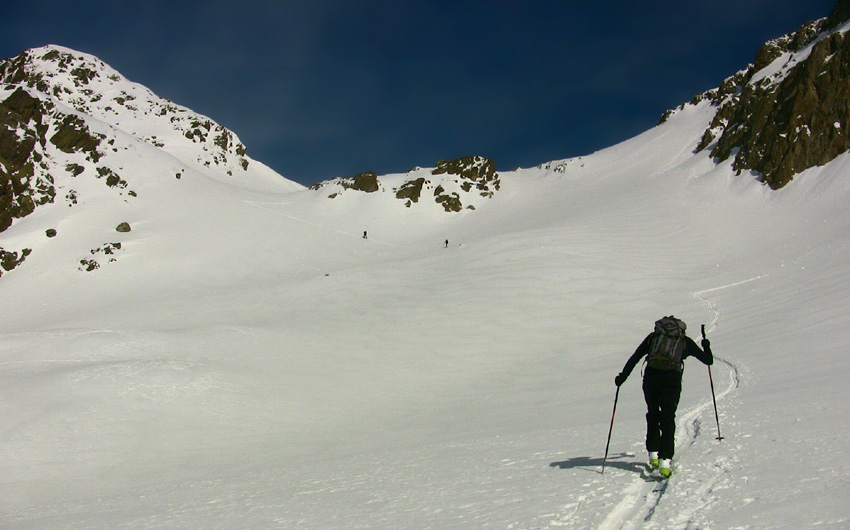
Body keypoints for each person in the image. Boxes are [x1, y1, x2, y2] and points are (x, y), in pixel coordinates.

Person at [614, 316, 713, 477]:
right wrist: (706, 346)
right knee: (668, 417)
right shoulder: (684, 341)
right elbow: (708, 361)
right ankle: (665, 461)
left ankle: (653, 454)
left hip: (651, 379)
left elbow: (635, 357)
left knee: (653, 413)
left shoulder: (653, 338)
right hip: (671, 381)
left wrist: (622, 378)